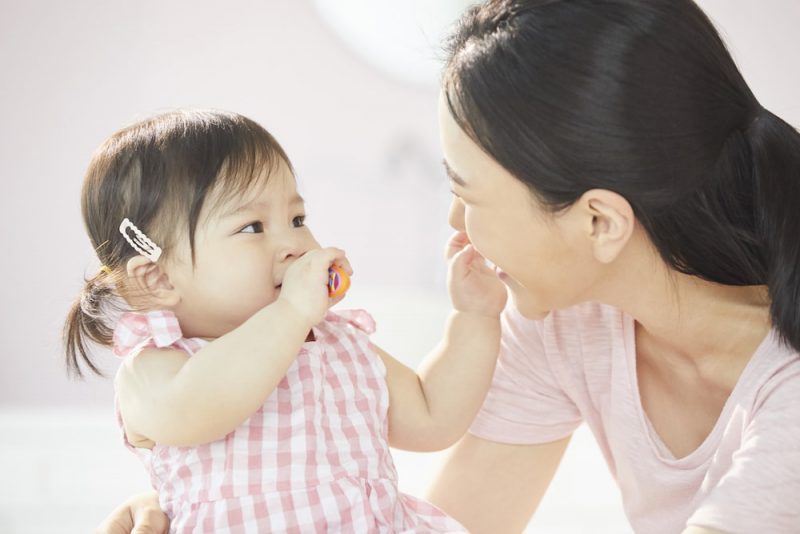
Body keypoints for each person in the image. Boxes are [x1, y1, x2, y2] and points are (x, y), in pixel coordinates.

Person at [99, 0, 800, 532]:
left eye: (466, 194)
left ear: (598, 221)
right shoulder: (565, 323)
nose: (454, 224)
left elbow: (428, 414)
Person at [67, 109, 507, 532]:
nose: (294, 243)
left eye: (297, 219)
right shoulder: (154, 369)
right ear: (159, 277)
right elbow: (201, 409)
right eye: (252, 227)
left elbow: (432, 416)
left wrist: (474, 316)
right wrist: (292, 313)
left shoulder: (335, 344)